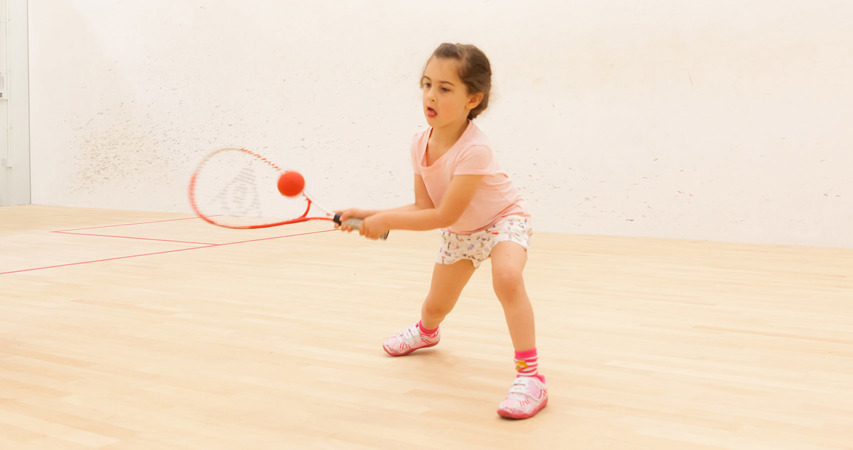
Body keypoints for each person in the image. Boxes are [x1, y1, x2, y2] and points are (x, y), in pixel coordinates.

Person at [336, 42, 547, 419]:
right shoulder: (420, 142)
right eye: (427, 84)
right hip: (461, 232)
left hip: (504, 219)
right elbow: (423, 206)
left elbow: (443, 213)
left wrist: (384, 223)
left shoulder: (475, 149)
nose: (431, 95)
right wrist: (370, 213)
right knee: (436, 305)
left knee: (508, 278)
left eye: (445, 88)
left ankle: (530, 377)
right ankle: (427, 332)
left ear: (473, 99)